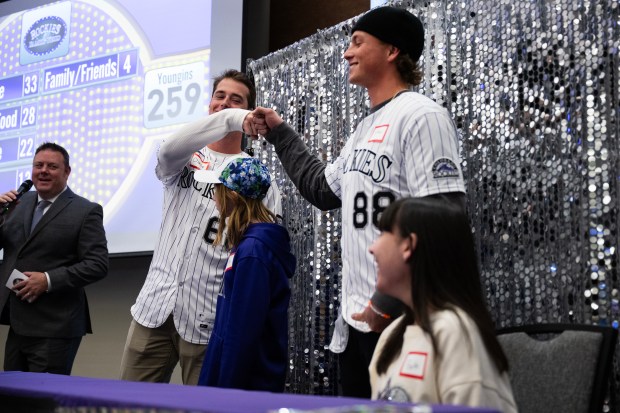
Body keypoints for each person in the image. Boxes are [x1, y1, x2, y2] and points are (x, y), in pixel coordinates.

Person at [249, 6, 465, 397]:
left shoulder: (421, 115)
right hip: (357, 324)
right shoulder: (363, 128)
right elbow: (321, 188)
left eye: (357, 43)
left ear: (392, 50)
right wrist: (280, 133)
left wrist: (385, 303)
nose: (347, 53)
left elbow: (443, 218)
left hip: (404, 323)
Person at [120, 70, 282, 385]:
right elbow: (166, 151)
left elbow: (261, 250)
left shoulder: (256, 175)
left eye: (237, 100)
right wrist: (233, 116)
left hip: (207, 316)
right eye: (220, 96)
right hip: (154, 307)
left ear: (250, 111)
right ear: (209, 104)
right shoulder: (186, 156)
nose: (225, 103)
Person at [368, 197, 517, 413]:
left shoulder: (455, 332)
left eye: (383, 234)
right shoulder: (391, 336)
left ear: (408, 245)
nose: (372, 248)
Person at [0, 142, 109, 375]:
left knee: (42, 403)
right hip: (17, 321)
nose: (43, 171)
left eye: (52, 166)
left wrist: (48, 280)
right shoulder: (17, 203)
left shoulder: (86, 210)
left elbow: (97, 264)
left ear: (67, 172)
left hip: (55, 326)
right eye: (38, 165)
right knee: (11, 399)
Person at [195, 157, 295, 391]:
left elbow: (243, 332)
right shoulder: (248, 245)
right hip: (230, 374)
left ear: (233, 196)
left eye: (218, 189)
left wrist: (227, 391)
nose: (213, 196)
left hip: (244, 384)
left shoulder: (253, 253)